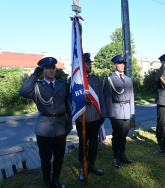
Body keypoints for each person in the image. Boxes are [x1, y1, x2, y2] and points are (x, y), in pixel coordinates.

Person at [19, 57, 71, 188]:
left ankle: (56, 180)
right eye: (47, 68)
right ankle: (47, 182)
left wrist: (69, 124)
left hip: (60, 127)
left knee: (59, 157)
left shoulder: (62, 85)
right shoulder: (37, 87)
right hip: (44, 128)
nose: (51, 70)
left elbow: (68, 105)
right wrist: (34, 75)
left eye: (53, 67)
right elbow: (23, 91)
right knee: (45, 158)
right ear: (43, 70)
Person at [75, 53, 106, 181]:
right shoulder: (75, 79)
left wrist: (102, 113)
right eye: (87, 64)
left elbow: (101, 97)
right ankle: (84, 168)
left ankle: (92, 165)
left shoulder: (95, 79)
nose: (90, 66)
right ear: (82, 65)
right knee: (83, 145)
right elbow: (70, 100)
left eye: (90, 63)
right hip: (81, 117)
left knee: (94, 144)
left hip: (94, 116)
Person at [103, 54, 134, 168]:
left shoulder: (128, 79)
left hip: (127, 111)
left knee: (124, 135)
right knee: (116, 136)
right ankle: (116, 157)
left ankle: (122, 155)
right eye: (120, 63)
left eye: (123, 64)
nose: (122, 65)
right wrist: (110, 114)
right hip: (116, 111)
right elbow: (106, 97)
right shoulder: (109, 79)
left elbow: (132, 96)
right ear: (115, 64)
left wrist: (132, 111)